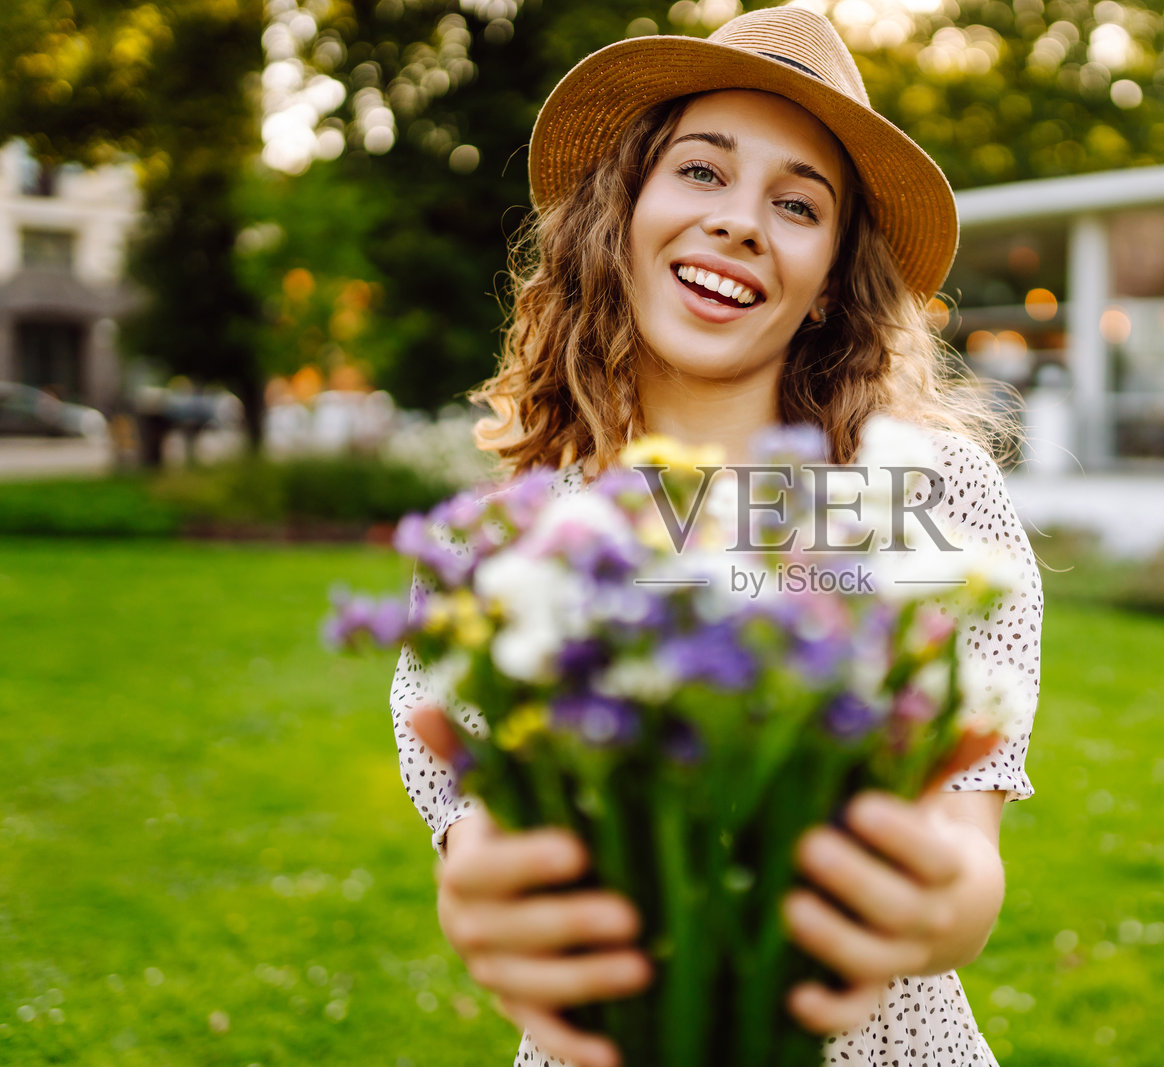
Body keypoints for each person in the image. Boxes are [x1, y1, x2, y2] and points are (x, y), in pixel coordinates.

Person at [389, 6, 1044, 1065]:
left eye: (796, 203)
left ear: (833, 273)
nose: (741, 221)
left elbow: (964, 849)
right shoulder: (515, 536)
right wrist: (489, 887)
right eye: (701, 171)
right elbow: (486, 846)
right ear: (623, 210)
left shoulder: (918, 499)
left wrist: (940, 895)